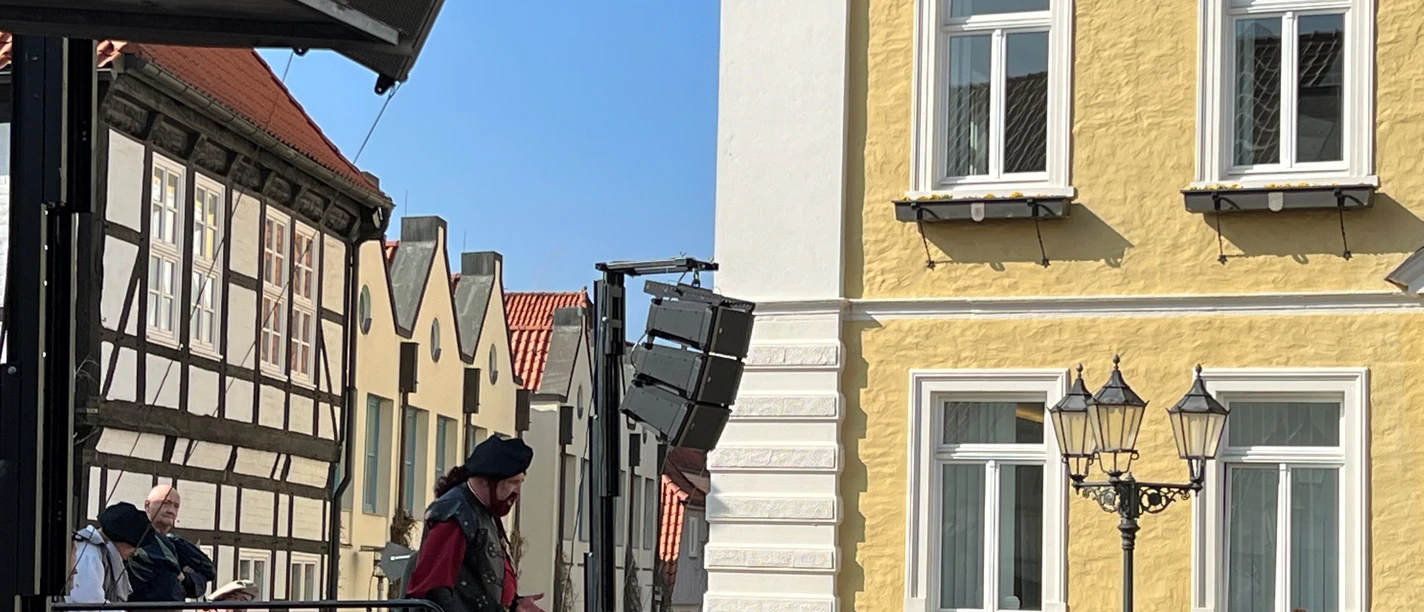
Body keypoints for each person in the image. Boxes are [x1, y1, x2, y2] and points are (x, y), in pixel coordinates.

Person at [405, 435, 544, 612]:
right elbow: (433, 589)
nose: (516, 491)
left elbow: (482, 583)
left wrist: (515, 604)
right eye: (512, 482)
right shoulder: (456, 515)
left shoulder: (482, 510)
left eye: (520, 483)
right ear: (485, 482)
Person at [128, 484, 217, 603]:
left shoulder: (178, 546)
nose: (171, 510)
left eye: (176, 506)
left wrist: (184, 578)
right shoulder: (133, 539)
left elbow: (201, 582)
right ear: (147, 505)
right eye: (166, 503)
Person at [70, 502, 154, 606]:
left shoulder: (99, 552)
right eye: (134, 546)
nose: (135, 552)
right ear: (122, 539)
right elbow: (90, 604)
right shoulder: (90, 554)